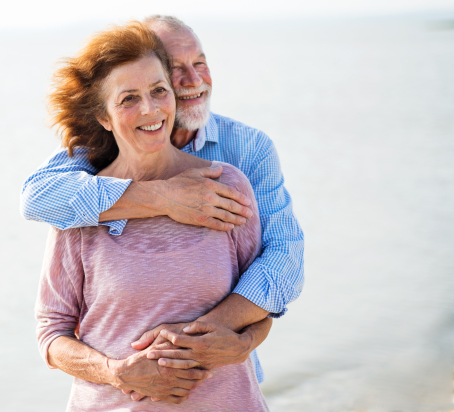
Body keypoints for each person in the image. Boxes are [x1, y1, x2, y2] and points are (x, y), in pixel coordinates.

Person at [23, 14, 304, 396]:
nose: (194, 81)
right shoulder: (94, 159)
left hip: (224, 386)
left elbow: (283, 261)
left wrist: (207, 337)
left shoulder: (245, 154)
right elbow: (36, 197)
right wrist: (163, 197)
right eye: (176, 69)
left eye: (200, 63)